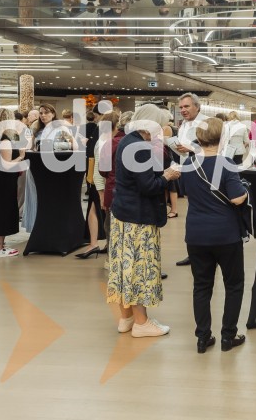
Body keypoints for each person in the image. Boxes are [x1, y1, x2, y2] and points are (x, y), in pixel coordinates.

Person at [107, 104, 181, 338]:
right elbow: (148, 186)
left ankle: (126, 317)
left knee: (123, 267)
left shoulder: (127, 141)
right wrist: (168, 176)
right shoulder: (140, 148)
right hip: (138, 218)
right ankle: (141, 322)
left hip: (123, 214)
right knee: (139, 268)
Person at [181, 118, 248, 353]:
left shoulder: (189, 165)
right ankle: (228, 336)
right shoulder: (226, 163)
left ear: (198, 139)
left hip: (196, 234)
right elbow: (237, 198)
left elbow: (187, 195)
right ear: (222, 138)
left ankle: (202, 337)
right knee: (234, 284)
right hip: (225, 234)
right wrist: (247, 189)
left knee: (201, 286)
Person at [174, 93, 210, 267]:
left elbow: (214, 148)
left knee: (204, 211)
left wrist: (191, 148)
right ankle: (194, 252)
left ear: (197, 106)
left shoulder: (206, 124)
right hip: (188, 171)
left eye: (186, 106)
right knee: (192, 214)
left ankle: (207, 251)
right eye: (181, 107)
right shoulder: (183, 125)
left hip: (204, 173)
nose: (183, 110)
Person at [78, 111, 119, 259]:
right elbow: (99, 168)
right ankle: (94, 243)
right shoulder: (106, 142)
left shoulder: (104, 139)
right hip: (100, 183)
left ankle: (96, 243)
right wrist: (102, 193)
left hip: (98, 182)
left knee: (94, 211)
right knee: (96, 212)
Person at [0, 108, 25, 258]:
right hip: (4, 179)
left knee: (1, 211)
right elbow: (7, 164)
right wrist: (21, 157)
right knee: (3, 212)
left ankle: (0, 244)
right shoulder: (4, 140)